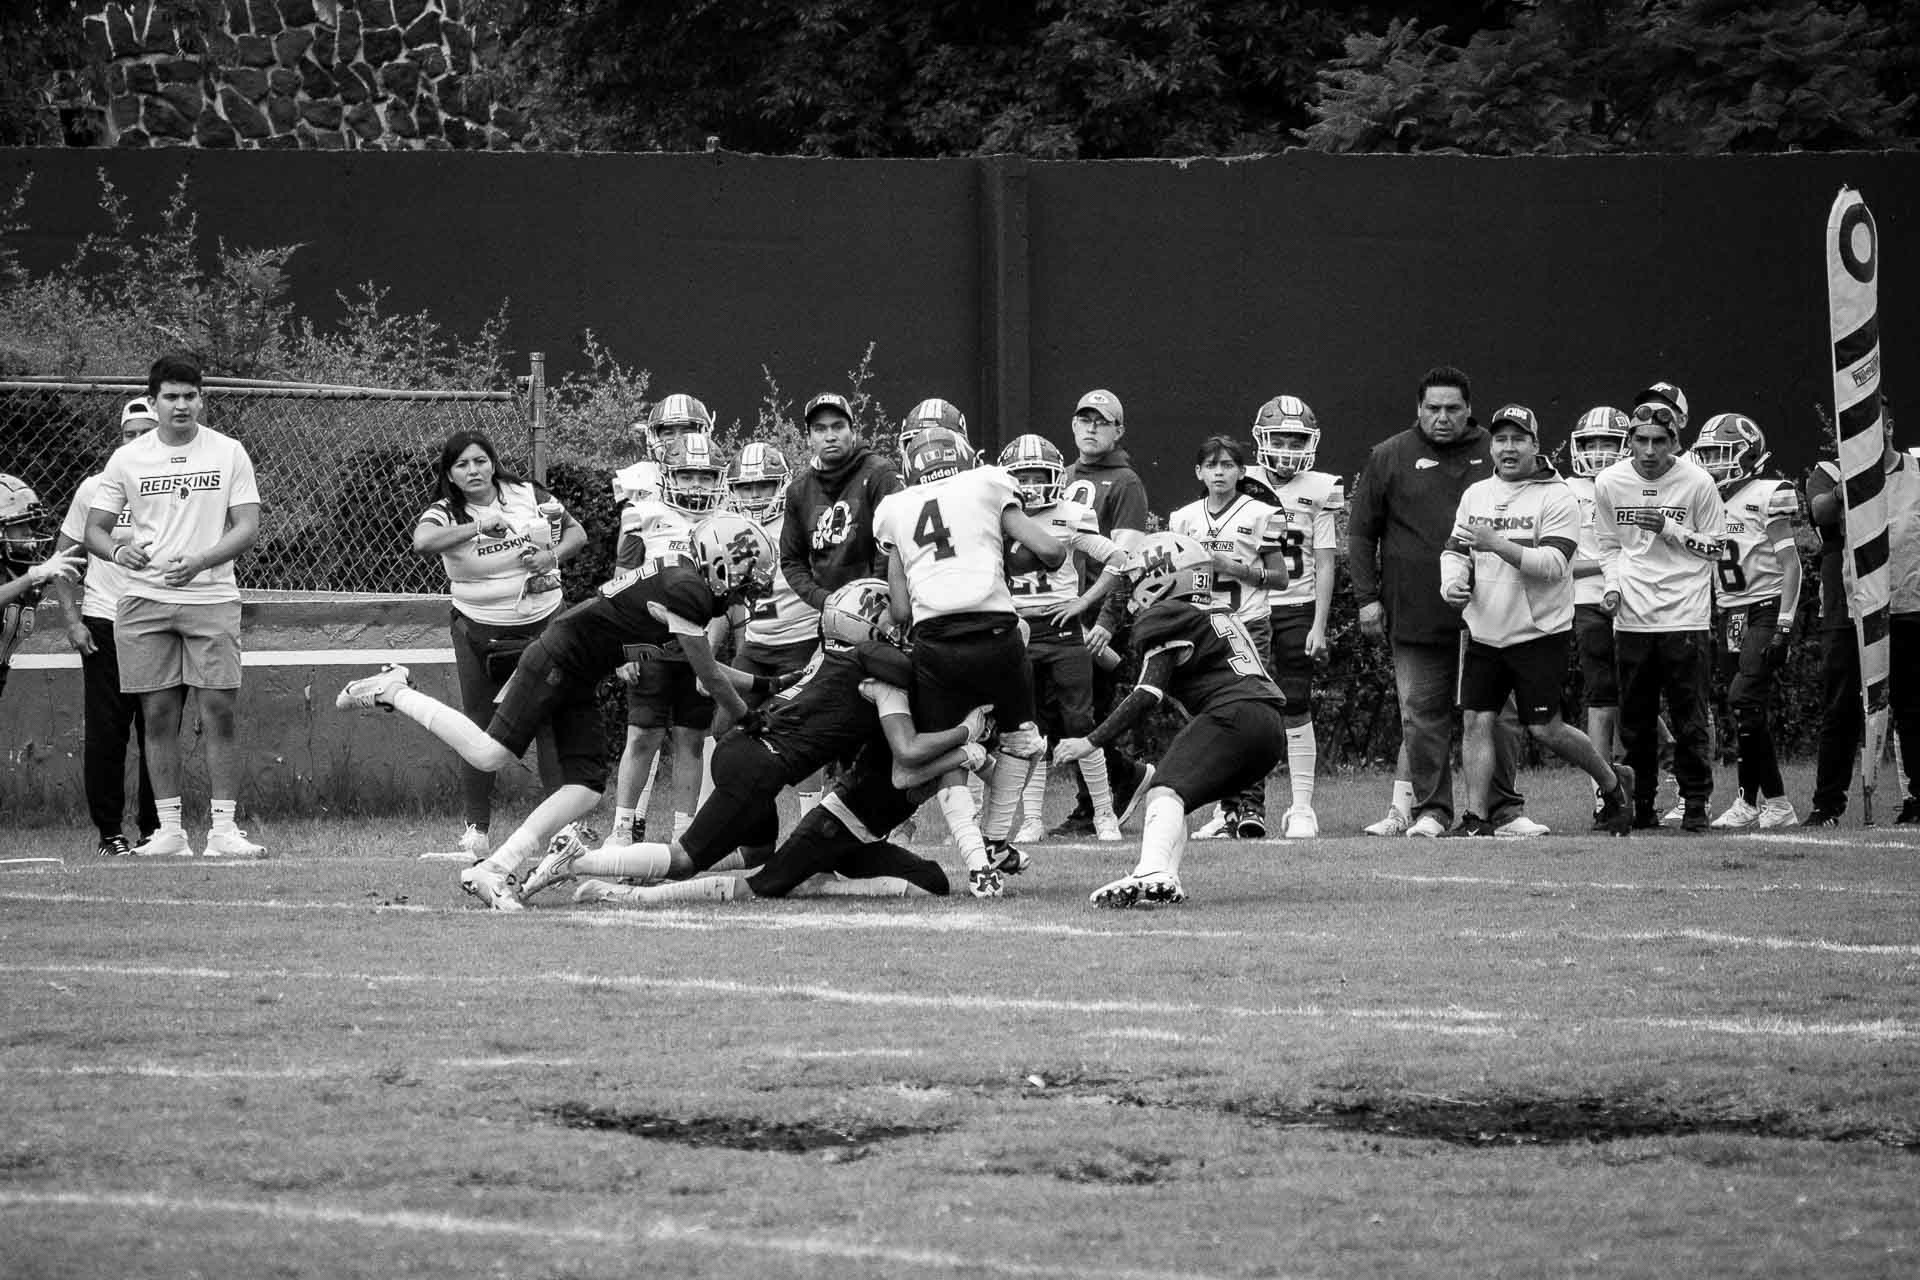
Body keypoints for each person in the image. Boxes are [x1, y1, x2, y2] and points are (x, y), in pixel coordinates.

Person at [334, 511, 775, 910]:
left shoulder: (683, 580)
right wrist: (747, 717)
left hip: (579, 671)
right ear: (720, 562)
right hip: (559, 659)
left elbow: (700, 662)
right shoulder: (688, 590)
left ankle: (495, 868)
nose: (745, 590)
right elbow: (708, 675)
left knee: (585, 788)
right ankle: (395, 690)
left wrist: (766, 685)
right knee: (490, 754)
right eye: (745, 577)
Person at [523, 579, 990, 905]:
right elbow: (906, 697)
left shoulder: (828, 657)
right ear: (870, 626)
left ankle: (615, 876)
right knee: (685, 859)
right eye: (892, 622)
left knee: (758, 855)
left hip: (746, 752)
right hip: (760, 765)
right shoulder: (876, 668)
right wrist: (968, 729)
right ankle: (586, 865)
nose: (900, 631)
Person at [873, 421, 1068, 898]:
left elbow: (900, 610)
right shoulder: (986, 482)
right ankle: (997, 839)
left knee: (948, 758)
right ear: (963, 457)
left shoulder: (895, 508)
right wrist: (1004, 556)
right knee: (1022, 740)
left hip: (936, 643)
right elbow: (1052, 551)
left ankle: (980, 867)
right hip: (997, 635)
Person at [1348, 366, 1540, 839]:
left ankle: (1504, 811)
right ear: (1418, 409)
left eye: (1453, 408)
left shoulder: (1494, 451)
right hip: (1415, 610)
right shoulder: (1389, 455)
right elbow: (1360, 533)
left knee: (1498, 715)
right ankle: (1432, 811)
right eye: (1433, 408)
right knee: (1421, 715)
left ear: (1469, 409)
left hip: (1494, 611)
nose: (1442, 417)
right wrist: (1367, 599)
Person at [83, 353, 263, 858]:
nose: (181, 405)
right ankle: (168, 832)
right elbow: (95, 530)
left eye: (190, 396)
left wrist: (202, 560)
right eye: (171, 397)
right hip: (144, 600)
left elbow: (247, 527)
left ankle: (224, 832)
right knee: (158, 714)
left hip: (212, 597)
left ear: (202, 400)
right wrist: (119, 552)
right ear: (154, 401)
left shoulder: (228, 451)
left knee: (218, 712)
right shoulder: (127, 458)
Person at [1054, 532, 1287, 907]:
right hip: (1270, 727)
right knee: (1175, 797)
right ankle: (1166, 878)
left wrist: (1090, 740)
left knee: (1163, 790)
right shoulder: (1216, 610)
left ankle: (1150, 872)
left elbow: (1148, 693)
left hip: (1234, 714)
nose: (1131, 591)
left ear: (1159, 578)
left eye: (1136, 581)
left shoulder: (1168, 616)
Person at [1437, 404, 1635, 836]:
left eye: (1518, 439)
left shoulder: (1557, 495)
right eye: (1501, 439)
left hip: (1538, 631)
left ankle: (1612, 783)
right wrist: (1451, 582)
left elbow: (1553, 565)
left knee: (1545, 728)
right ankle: (1476, 818)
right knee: (1476, 720)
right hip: (1484, 631)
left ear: (1535, 445)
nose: (1508, 448)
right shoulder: (1476, 494)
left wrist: (1497, 543)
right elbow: (1454, 550)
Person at [412, 429, 586, 860]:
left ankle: (563, 832)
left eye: (480, 461)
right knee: (481, 727)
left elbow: (577, 533)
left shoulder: (526, 493)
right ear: (449, 475)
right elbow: (422, 542)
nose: (473, 471)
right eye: (462, 465)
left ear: (493, 463)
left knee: (551, 720)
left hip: (544, 622)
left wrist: (551, 557)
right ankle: (476, 833)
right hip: (479, 631)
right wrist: (477, 526)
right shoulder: (445, 511)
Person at [1593, 381, 1726, 831]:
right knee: (1636, 720)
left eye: (1659, 441)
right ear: (1629, 440)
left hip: (1685, 613)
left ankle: (1695, 804)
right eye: (1641, 440)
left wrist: (1670, 528)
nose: (1649, 451)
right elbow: (1609, 546)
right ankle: (1642, 805)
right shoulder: (1610, 482)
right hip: (1632, 617)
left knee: (1691, 717)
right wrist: (1612, 588)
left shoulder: (1697, 482)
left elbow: (1716, 547)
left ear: (1675, 442)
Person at [996, 434, 1133, 844]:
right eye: (1023, 477)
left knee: (1079, 722)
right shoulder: (997, 515)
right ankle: (1032, 819)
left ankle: (1104, 813)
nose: (1031, 485)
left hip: (1062, 630)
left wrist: (1084, 602)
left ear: (1055, 476)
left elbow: (1119, 559)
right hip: (1017, 631)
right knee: (1029, 727)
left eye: (1038, 475)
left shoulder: (1070, 514)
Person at [50, 398, 161, 856]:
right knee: (107, 734)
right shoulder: (95, 488)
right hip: (105, 621)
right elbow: (64, 557)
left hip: (162, 622)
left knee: (159, 730)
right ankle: (109, 833)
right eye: (128, 434)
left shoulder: (176, 484)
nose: (136, 442)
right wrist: (73, 620)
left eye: (145, 433)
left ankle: (157, 830)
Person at [603, 397, 714, 852]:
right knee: (642, 735)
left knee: (691, 738)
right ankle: (623, 829)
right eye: (669, 430)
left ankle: (683, 836)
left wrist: (713, 654)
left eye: (688, 429)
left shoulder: (727, 508)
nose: (678, 439)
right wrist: (620, 645)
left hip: (700, 640)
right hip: (650, 639)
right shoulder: (643, 506)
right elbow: (623, 578)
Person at [1170, 436, 1288, 839]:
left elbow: (1280, 578)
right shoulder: (1183, 518)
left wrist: (1234, 568)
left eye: (1227, 465)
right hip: (1203, 627)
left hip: (1247, 624)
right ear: (1198, 472)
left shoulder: (1261, 514)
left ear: (1241, 471)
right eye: (1211, 465)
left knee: (1250, 711)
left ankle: (1251, 807)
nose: (1219, 472)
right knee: (1213, 716)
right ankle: (1226, 808)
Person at [1239, 394, 1345, 838]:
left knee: (1296, 703)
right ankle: (1236, 808)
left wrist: (1320, 623)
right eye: (1279, 438)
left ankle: (1302, 807)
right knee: (1242, 707)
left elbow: (1324, 560)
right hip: (1249, 607)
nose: (1286, 448)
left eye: (1296, 440)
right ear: (1261, 437)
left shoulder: (1319, 487)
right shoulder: (1239, 479)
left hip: (1297, 606)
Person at [1692, 413, 1802, 829]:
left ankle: (1762, 803)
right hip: (1730, 612)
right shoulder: (1705, 501)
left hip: (1766, 607)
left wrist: (1784, 624)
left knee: (1743, 698)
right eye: (1707, 455)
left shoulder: (1768, 493)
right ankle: (1767, 803)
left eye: (1722, 454)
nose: (1713, 464)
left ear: (1749, 454)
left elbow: (1792, 565)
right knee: (1746, 710)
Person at [1052, 389, 1152, 836]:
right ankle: (1123, 777)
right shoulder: (1060, 475)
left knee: (1082, 714)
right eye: (1085, 419)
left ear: (1118, 430)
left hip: (1096, 617)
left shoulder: (1126, 482)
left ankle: (1094, 801)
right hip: (1059, 613)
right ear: (1074, 425)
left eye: (1102, 421)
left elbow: (1126, 559)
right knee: (1059, 712)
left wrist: (1109, 622)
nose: (1091, 428)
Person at [779, 391, 904, 617]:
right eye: (820, 429)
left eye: (838, 427)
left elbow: (894, 544)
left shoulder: (880, 474)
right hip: (831, 613)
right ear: (808, 438)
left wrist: (869, 598)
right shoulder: (798, 491)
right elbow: (791, 560)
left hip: (882, 609)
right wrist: (824, 600)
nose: (830, 436)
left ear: (853, 432)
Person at [1564, 407, 1631, 809]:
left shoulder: (1638, 484)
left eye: (1609, 442)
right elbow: (1559, 561)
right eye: (1592, 443)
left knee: (1639, 692)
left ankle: (1665, 769)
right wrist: (1611, 563)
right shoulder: (1564, 489)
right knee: (1602, 694)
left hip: (1639, 600)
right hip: (1588, 599)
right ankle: (1604, 794)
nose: (1600, 451)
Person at [2, 475, 85, 701]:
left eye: (30, 524)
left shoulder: (19, 570)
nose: (29, 531)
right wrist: (34, 576)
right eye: (19, 524)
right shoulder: (28, 576)